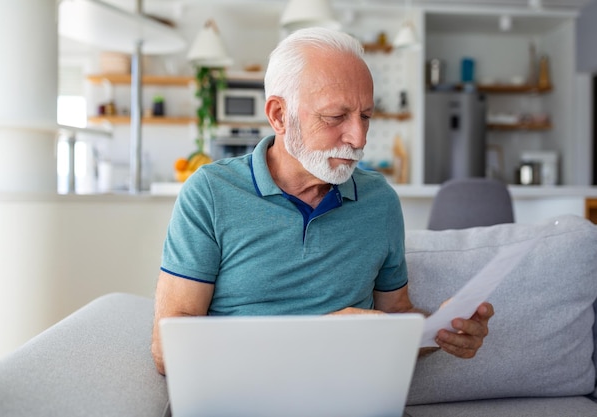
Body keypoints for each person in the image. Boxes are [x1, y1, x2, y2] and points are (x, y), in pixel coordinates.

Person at [151, 27, 493, 376]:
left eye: (366, 116)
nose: (358, 138)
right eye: (335, 117)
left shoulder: (380, 201)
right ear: (280, 115)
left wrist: (439, 330)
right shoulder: (210, 193)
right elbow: (167, 350)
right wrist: (319, 333)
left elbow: (395, 315)